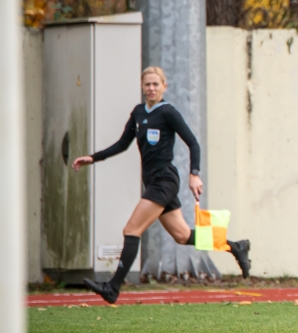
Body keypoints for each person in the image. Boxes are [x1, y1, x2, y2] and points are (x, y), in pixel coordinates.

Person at [72, 66, 251, 304]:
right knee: (182, 235)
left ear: (164, 86)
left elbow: (194, 144)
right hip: (155, 182)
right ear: (142, 87)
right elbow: (122, 144)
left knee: (131, 230)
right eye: (147, 84)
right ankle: (236, 247)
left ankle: (112, 288)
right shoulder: (138, 113)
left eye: (156, 84)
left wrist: (194, 174)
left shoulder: (168, 112)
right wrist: (93, 157)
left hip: (164, 181)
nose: (151, 88)